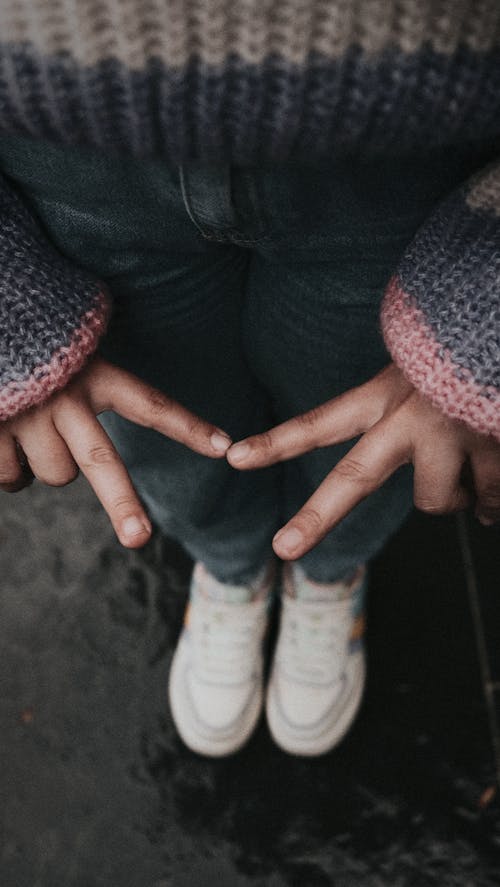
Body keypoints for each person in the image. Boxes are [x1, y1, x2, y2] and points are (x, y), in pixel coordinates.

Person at [0, 2, 499, 758]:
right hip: (66, 147)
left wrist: (486, 306)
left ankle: (328, 568)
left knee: (378, 423)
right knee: (167, 420)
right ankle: (232, 563)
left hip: (408, 145)